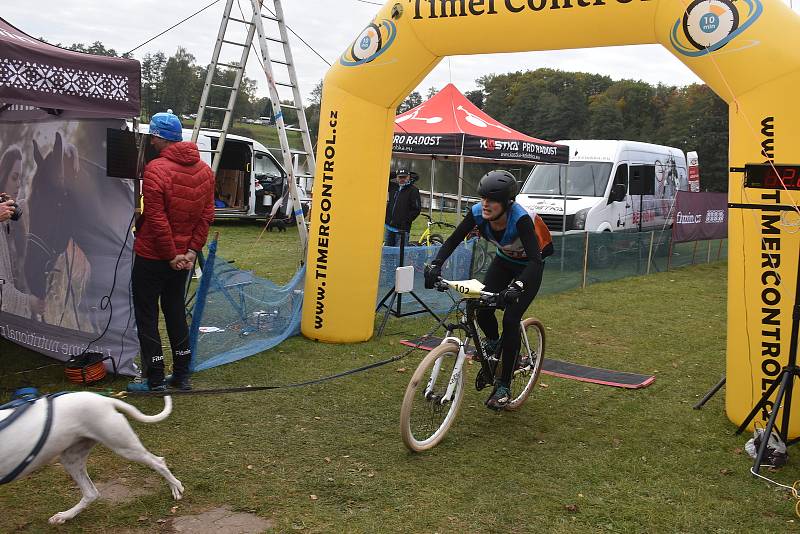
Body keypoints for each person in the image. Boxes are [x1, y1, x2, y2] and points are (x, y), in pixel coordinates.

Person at [424, 170, 547, 411]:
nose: (485, 204)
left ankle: (503, 386)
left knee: (511, 318)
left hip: (529, 268)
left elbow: (535, 260)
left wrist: (518, 286)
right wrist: (436, 264)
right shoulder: (478, 213)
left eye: (492, 200)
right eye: (483, 198)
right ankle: (492, 346)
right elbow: (453, 239)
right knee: (482, 308)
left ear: (507, 203)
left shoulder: (520, 219)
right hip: (503, 261)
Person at [128, 112, 215, 392]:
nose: (151, 141)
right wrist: (190, 252)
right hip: (182, 259)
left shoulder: (155, 169)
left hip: (154, 256)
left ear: (158, 137)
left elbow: (155, 218)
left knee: (147, 315)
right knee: (176, 312)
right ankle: (181, 375)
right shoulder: (205, 171)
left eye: (152, 136)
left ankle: (154, 378)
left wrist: (170, 254)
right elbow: (207, 215)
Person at [0, 146, 43, 317]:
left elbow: (34, 200)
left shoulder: (15, 214)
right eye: (14, 177)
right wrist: (29, 302)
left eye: (21, 179)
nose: (18, 184)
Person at [384, 169, 421, 246]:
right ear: (397, 178)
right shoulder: (393, 187)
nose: (402, 179)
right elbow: (385, 177)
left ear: (409, 177)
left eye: (404, 177)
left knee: (400, 255)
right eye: (400, 177)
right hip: (389, 227)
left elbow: (416, 209)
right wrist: (397, 172)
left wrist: (405, 221)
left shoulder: (413, 190)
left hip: (402, 230)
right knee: (388, 253)